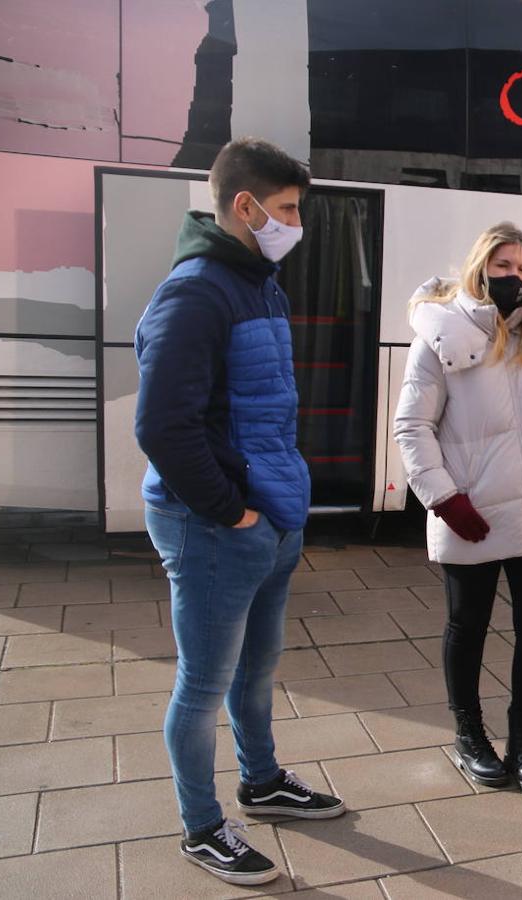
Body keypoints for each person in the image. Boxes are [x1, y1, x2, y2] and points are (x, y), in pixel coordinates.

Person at [135, 137, 345, 887]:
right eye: (286, 210)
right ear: (244, 206)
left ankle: (262, 784)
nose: (296, 223)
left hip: (269, 521)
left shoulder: (259, 282)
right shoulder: (195, 292)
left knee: (255, 673)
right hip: (218, 529)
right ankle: (201, 827)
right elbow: (162, 426)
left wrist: (274, 516)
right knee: (201, 685)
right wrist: (233, 514)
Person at [393, 222, 522, 794]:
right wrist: (443, 498)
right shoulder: (441, 335)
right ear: (480, 267)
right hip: (473, 514)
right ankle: (469, 737)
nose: (513, 278)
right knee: (467, 627)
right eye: (503, 266)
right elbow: (412, 426)